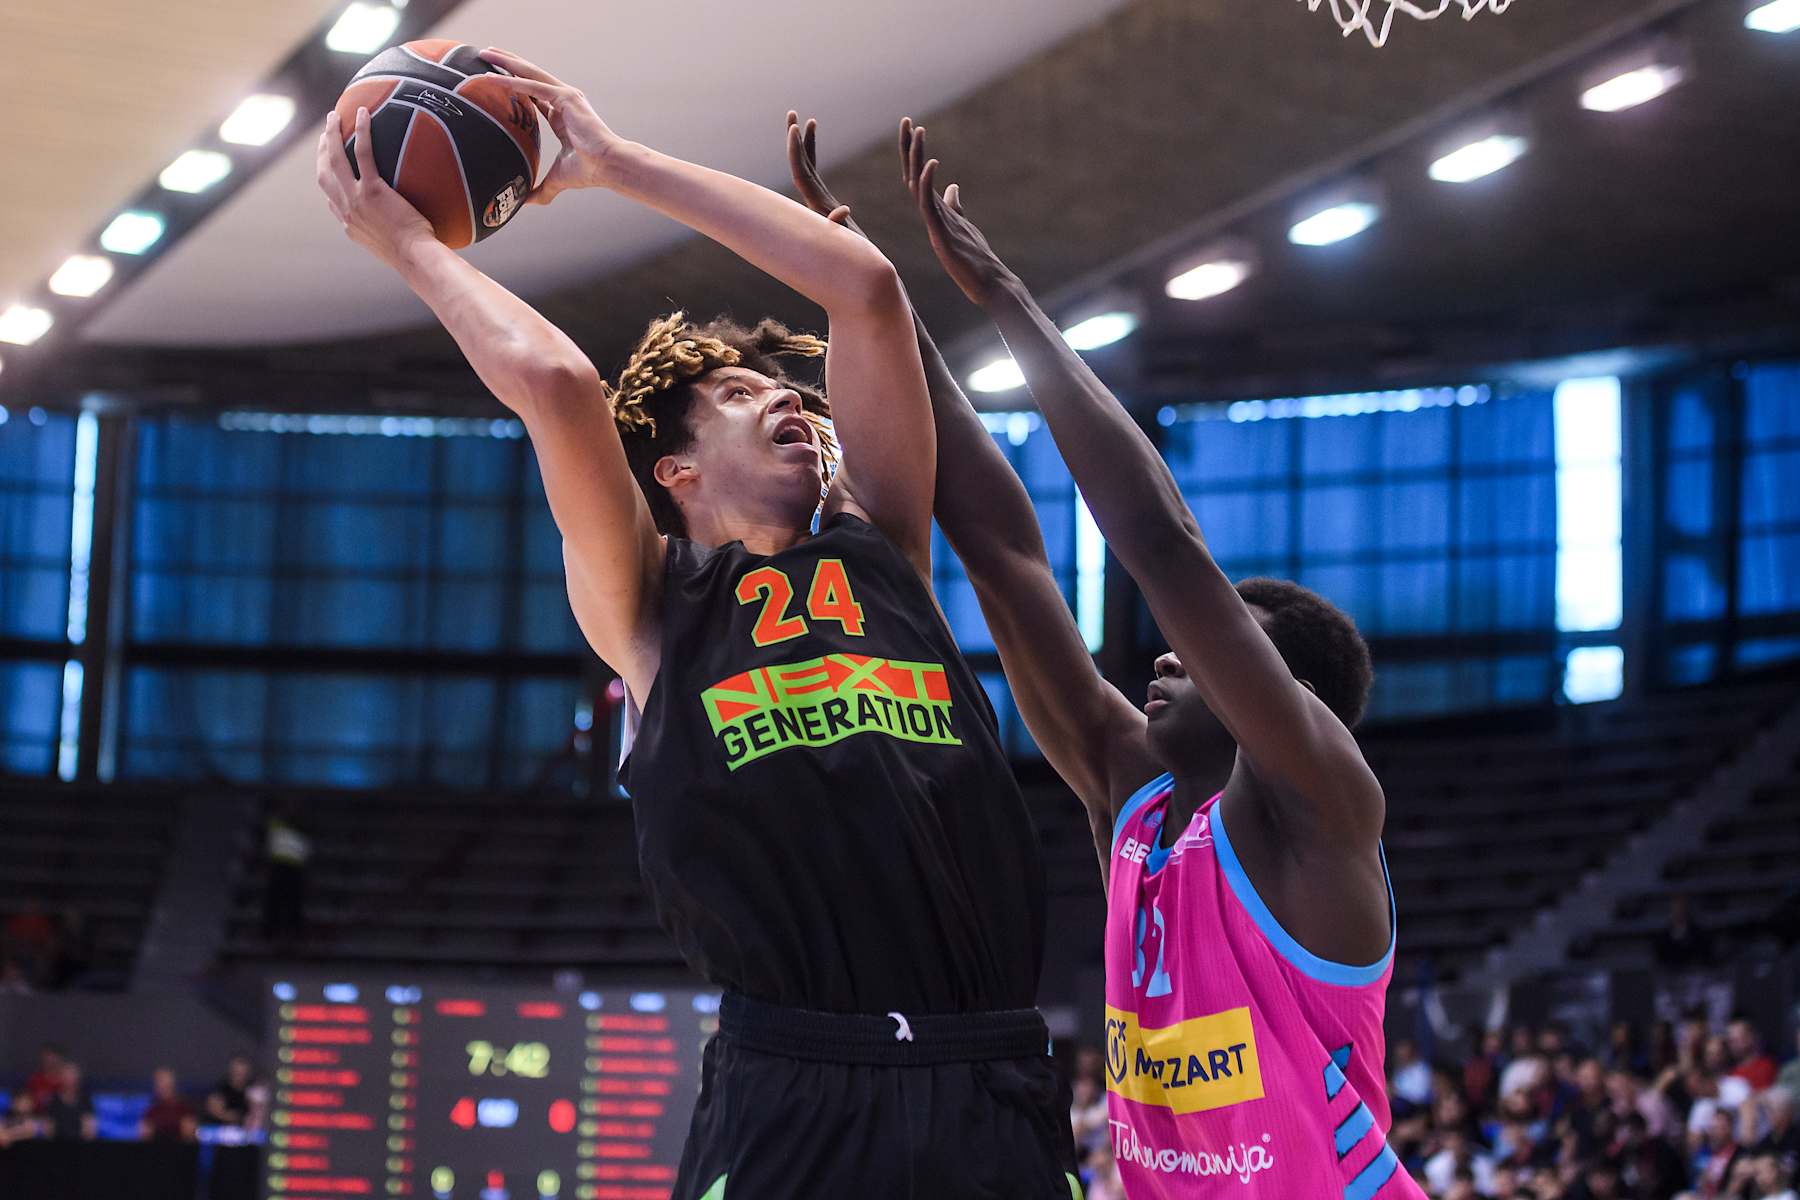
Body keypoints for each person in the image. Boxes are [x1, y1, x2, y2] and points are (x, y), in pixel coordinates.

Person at [315, 55, 1073, 1199]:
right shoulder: (650, 607)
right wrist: (414, 249)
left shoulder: (886, 551)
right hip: (795, 1091)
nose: (786, 397)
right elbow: (562, 385)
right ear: (672, 468)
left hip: (990, 1071)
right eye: (736, 392)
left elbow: (866, 290)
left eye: (792, 392)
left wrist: (614, 163)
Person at [783, 114, 1414, 1195]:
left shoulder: (1322, 810)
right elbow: (1002, 548)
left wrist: (1007, 300)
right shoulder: (1133, 797)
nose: (1169, 657)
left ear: (1290, 696)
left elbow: (1165, 549)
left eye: (1223, 642)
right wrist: (873, 300)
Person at [40, 1062, 96, 1141]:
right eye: (65, 1075)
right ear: (61, 1078)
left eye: (71, 1075)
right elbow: (48, 1128)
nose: (68, 1079)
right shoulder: (53, 1101)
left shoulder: (85, 1100)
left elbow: (89, 1129)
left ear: (77, 1078)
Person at [140, 1067, 197, 1142]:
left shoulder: (185, 1110)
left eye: (165, 1084)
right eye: (158, 1083)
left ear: (173, 1085)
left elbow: (190, 1136)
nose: (162, 1087)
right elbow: (144, 1136)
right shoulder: (151, 1112)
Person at [206, 1054, 256, 1127]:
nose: (239, 1075)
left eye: (242, 1072)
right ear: (231, 1070)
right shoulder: (221, 1088)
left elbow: (256, 1113)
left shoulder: (252, 1089)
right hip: (221, 1128)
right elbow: (215, 1110)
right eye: (237, 1072)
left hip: (247, 1129)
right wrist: (235, 1117)